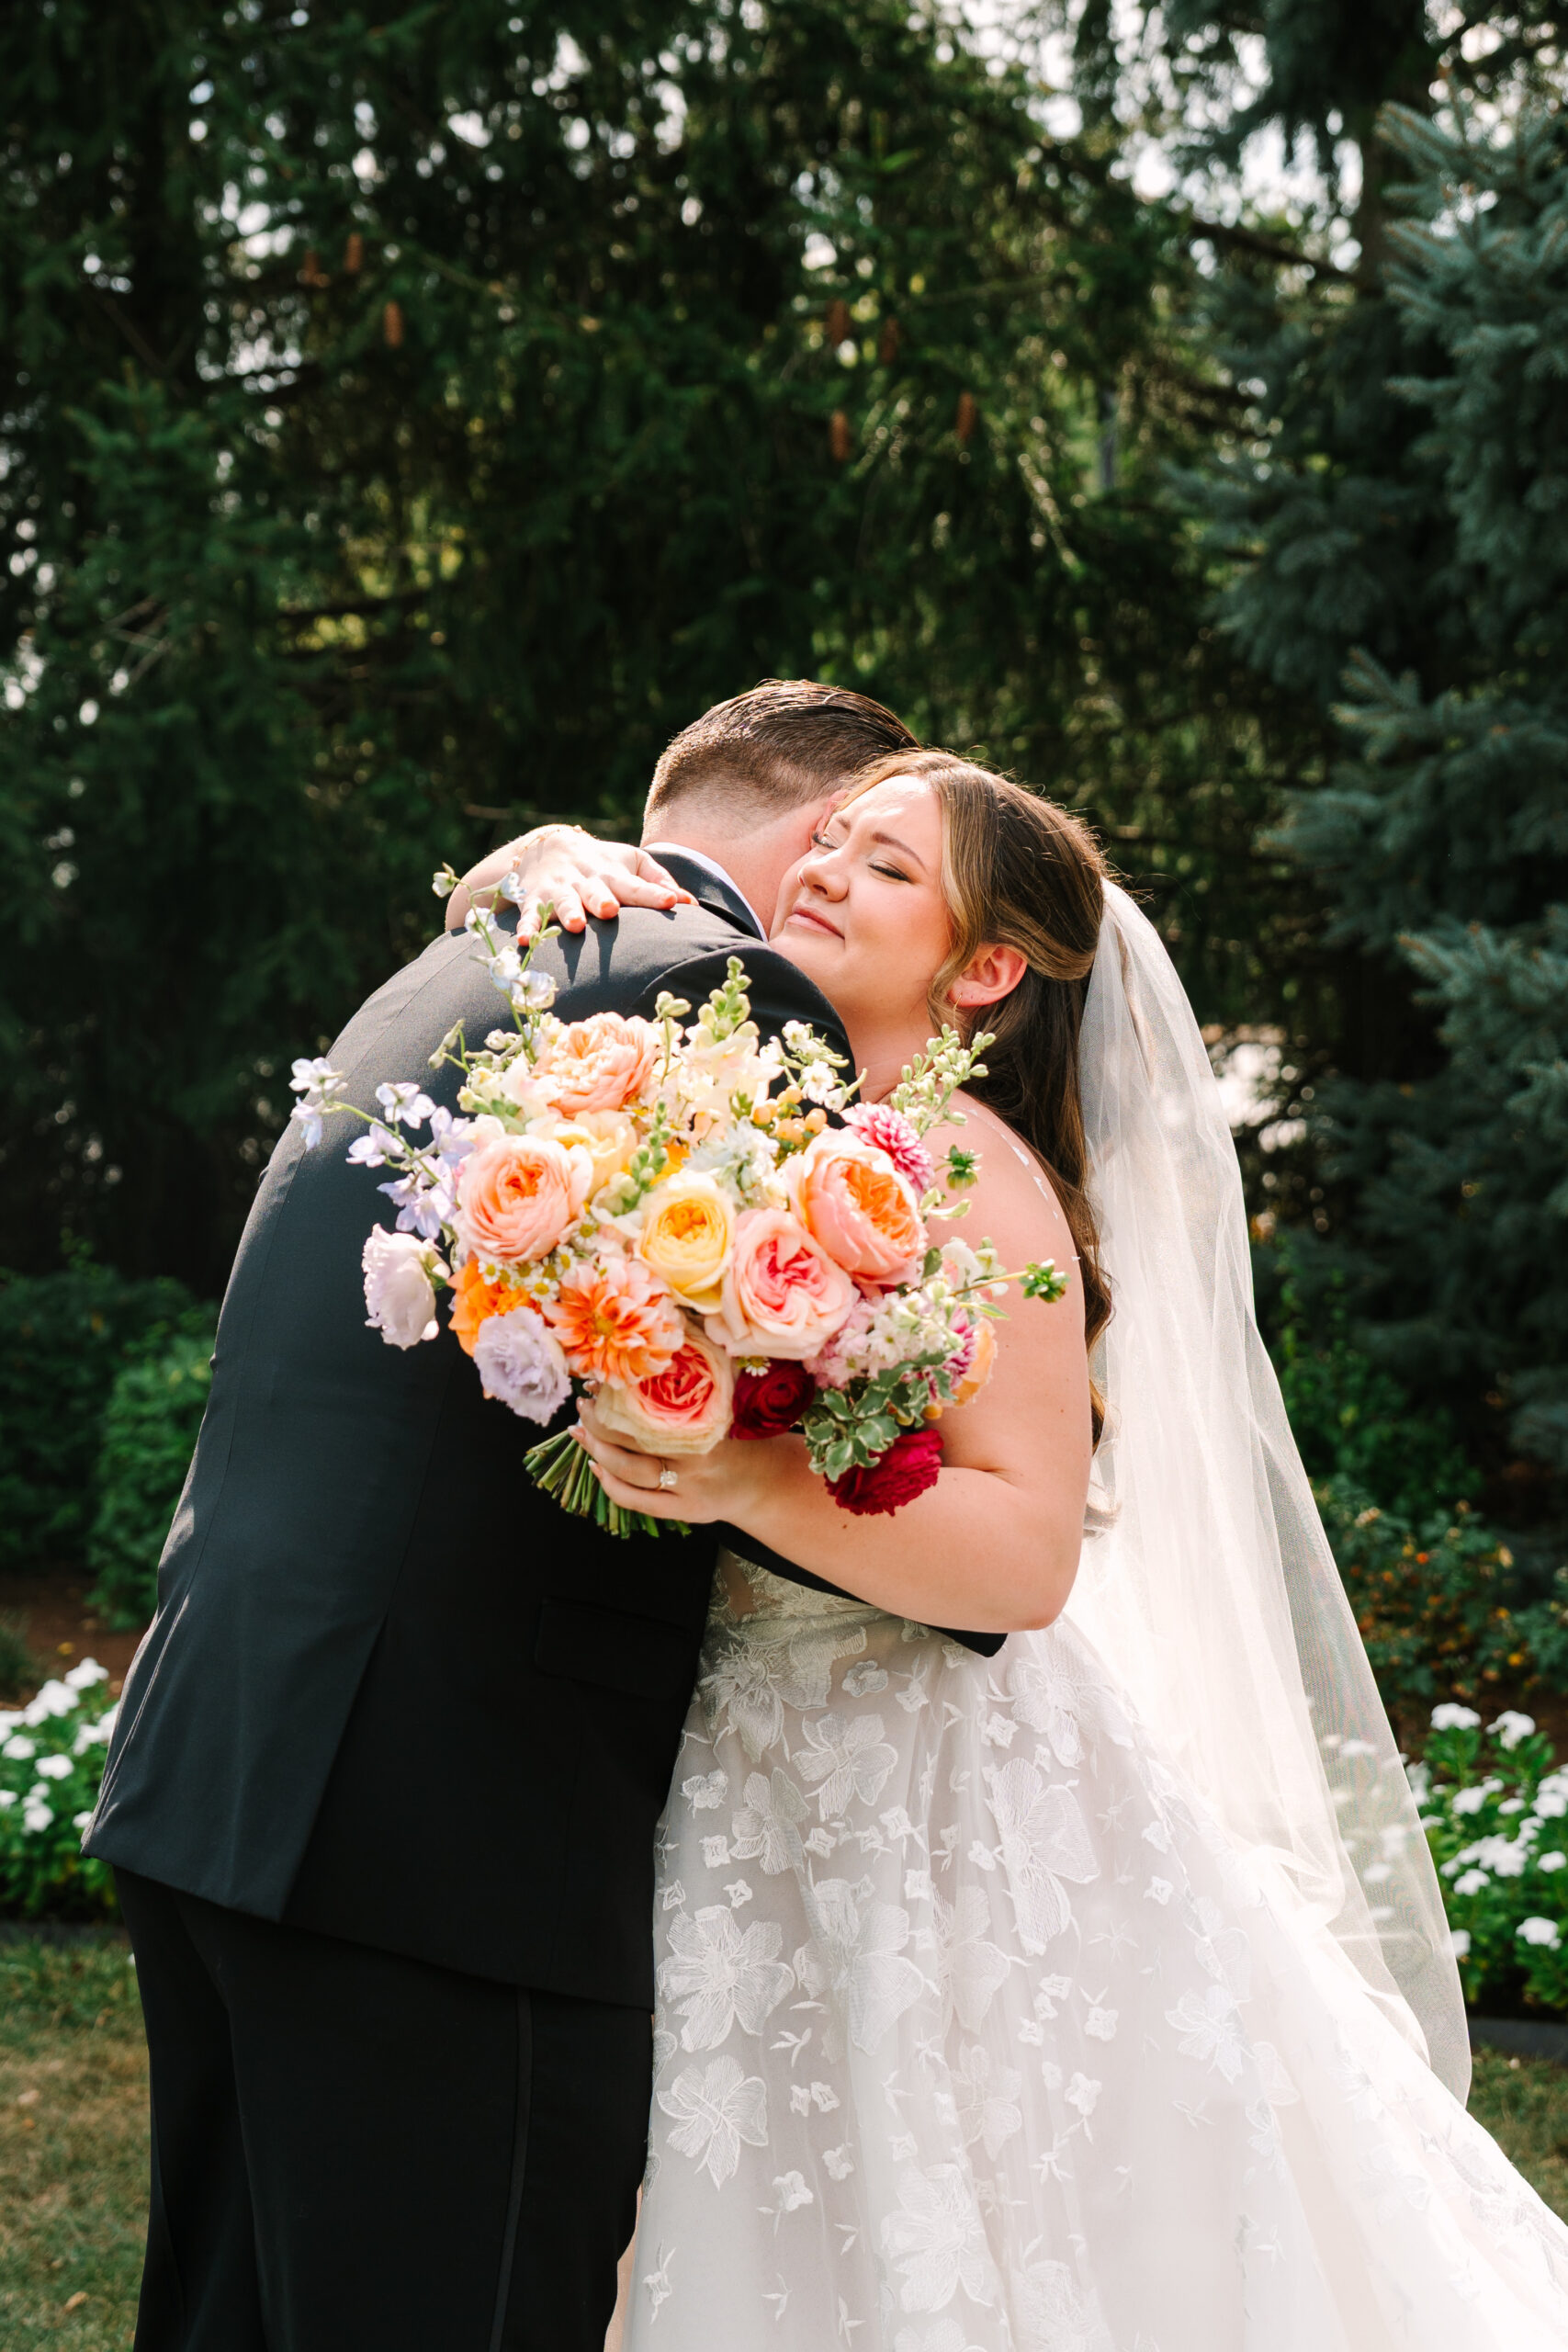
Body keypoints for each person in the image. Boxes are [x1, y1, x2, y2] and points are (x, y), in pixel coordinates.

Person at [495, 752, 1568, 2348]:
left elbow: (1023, 1558)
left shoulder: (978, 1174)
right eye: (830, 841)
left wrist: (737, 1479)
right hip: (751, 1770)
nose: (825, 872)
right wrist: (528, 862)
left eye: (886, 868)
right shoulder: (756, 1122)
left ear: (986, 970)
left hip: (929, 1792)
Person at [85, 680, 966, 2352]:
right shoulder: (728, 990)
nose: (852, 887)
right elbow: (776, 1391)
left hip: (226, 1756)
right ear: (805, 844)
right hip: (436, 1836)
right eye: (857, 845)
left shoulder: (458, 965)